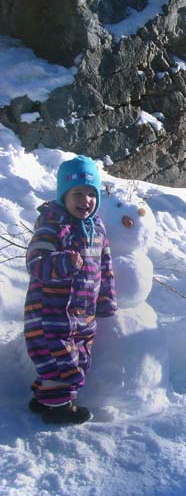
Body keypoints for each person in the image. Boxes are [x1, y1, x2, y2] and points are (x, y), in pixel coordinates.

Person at [23, 155, 117, 424]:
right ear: (63, 195)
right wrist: (62, 262)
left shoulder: (97, 227)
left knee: (78, 356)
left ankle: (46, 399)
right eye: (77, 193)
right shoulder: (53, 225)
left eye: (91, 193)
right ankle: (59, 409)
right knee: (60, 360)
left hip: (82, 314)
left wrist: (106, 299)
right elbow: (36, 262)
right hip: (51, 312)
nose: (85, 200)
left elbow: (105, 265)